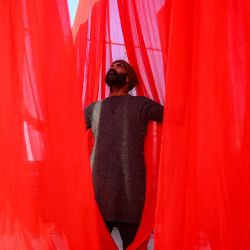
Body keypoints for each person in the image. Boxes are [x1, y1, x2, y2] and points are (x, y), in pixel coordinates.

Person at [84, 60, 163, 249]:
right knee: (93, 245)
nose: (112, 68)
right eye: (111, 66)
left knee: (133, 245)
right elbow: (67, 127)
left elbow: (175, 116)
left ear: (128, 79)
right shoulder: (94, 108)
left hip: (130, 191)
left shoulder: (141, 104)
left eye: (118, 66)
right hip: (98, 190)